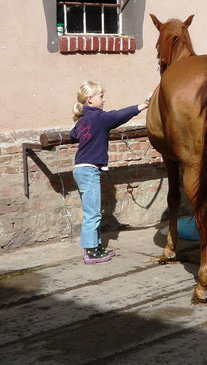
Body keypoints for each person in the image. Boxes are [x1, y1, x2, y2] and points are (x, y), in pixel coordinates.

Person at [70, 81, 151, 264]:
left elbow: (73, 134)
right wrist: (144, 105)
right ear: (90, 99)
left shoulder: (83, 120)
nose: (104, 99)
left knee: (92, 211)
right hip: (89, 170)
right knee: (93, 214)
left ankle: (95, 246)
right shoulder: (99, 118)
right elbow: (119, 115)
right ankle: (91, 252)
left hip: (80, 169)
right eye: (101, 96)